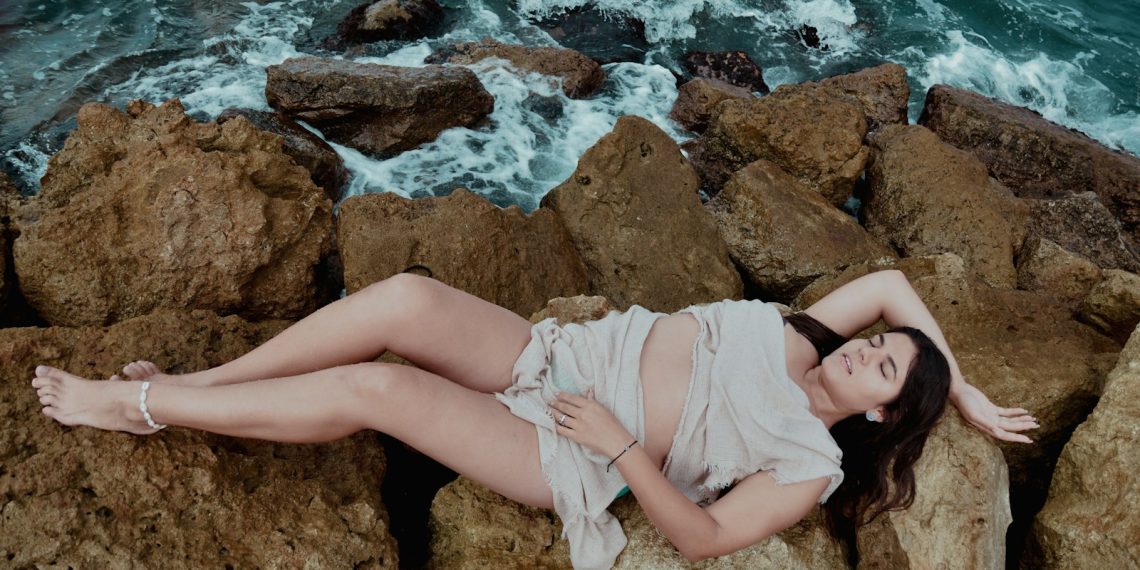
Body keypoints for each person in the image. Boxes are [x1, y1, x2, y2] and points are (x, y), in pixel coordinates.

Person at [30, 269, 1036, 568]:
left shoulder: (809, 461)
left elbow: (704, 537)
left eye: (889, 367)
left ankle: (145, 407)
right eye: (882, 342)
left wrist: (623, 449)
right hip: (557, 354)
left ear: (884, 410)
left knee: (379, 389)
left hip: (563, 446)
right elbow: (898, 282)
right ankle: (204, 377)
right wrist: (969, 387)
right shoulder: (811, 337)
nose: (874, 347)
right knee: (405, 300)